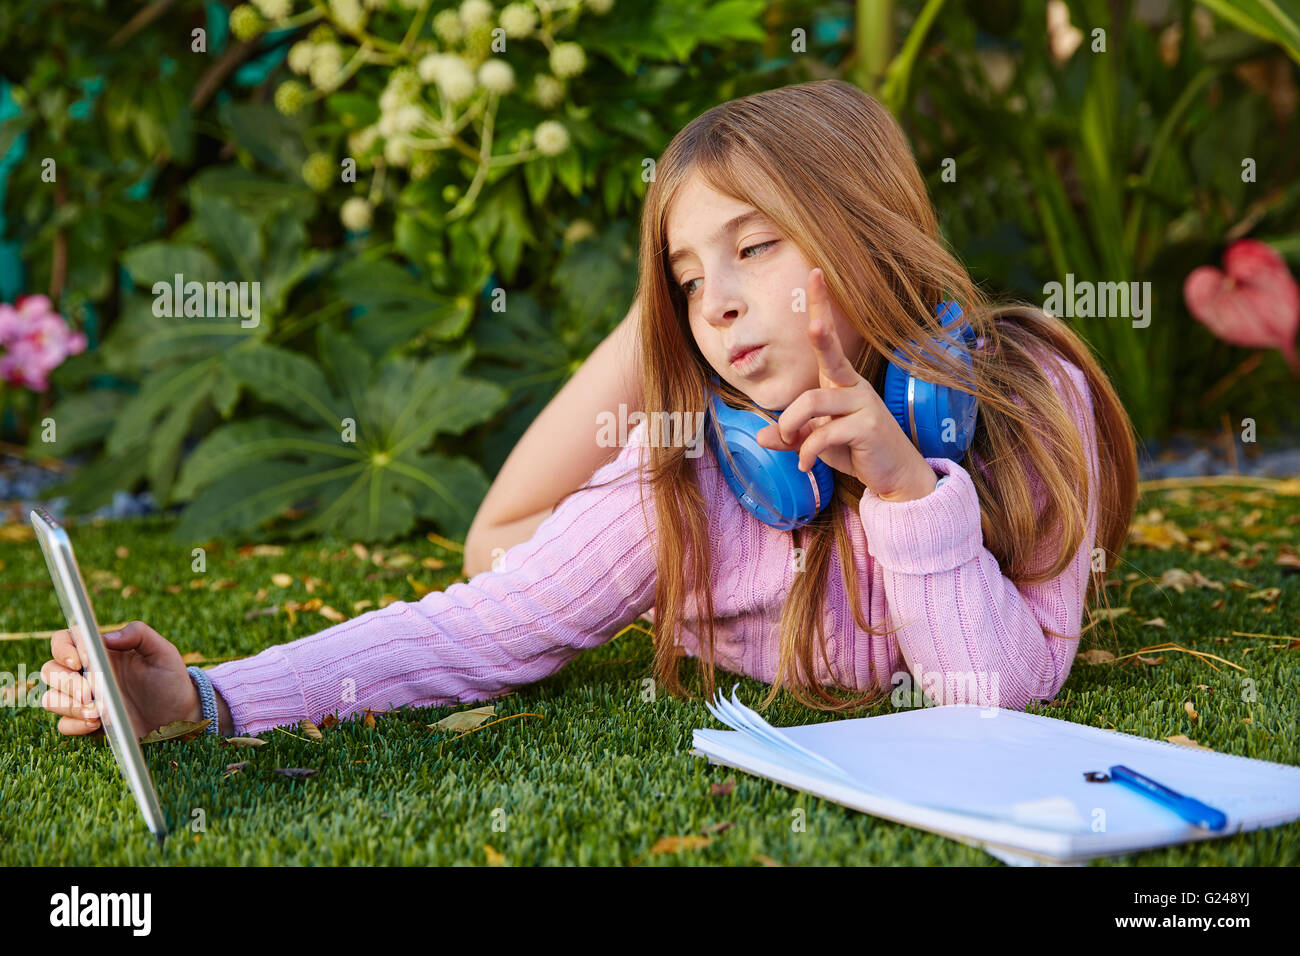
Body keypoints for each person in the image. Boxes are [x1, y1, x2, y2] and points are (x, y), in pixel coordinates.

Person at [40, 79, 1137, 740]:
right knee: (499, 552)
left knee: (505, 544)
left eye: (756, 245)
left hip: (887, 449)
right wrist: (207, 696)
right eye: (691, 278)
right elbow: (467, 628)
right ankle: (640, 323)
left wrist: (905, 489)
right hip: (609, 537)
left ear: (870, 230)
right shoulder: (689, 483)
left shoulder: (1033, 397)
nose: (724, 299)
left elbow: (991, 694)